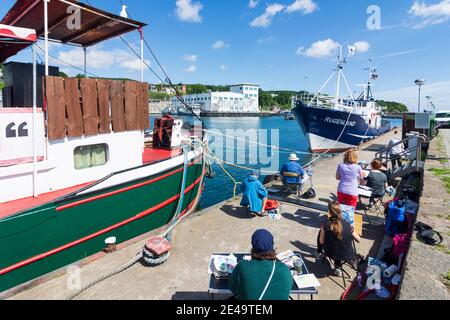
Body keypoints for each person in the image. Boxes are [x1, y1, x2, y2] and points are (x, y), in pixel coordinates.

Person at [230, 229, 292, 300]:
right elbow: (289, 286)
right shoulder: (284, 269)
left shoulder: (242, 267)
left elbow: (233, 289)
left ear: (253, 246)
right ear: (272, 246)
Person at [314, 202, 361, 275]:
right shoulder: (348, 225)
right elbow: (358, 240)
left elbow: (321, 241)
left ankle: (319, 252)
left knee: (323, 233)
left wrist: (323, 229)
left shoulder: (326, 225)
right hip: (347, 255)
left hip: (330, 253)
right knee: (339, 244)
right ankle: (338, 266)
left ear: (329, 212)